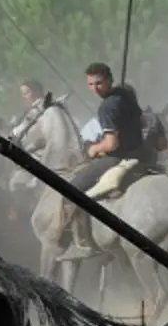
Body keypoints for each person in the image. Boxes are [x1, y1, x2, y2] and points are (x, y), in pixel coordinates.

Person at [57, 62, 146, 262]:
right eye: (90, 84)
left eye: (99, 83)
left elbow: (112, 144)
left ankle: (83, 245)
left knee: (71, 190)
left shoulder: (107, 106)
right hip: (141, 153)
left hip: (118, 157)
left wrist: (94, 148)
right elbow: (143, 122)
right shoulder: (126, 95)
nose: (95, 88)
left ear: (109, 80)